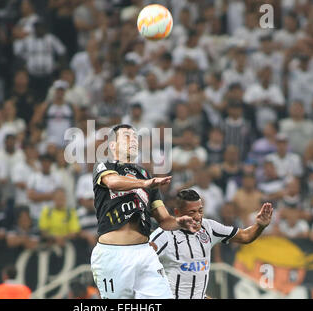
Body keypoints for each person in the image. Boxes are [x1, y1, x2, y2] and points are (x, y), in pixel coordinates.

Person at [90, 124, 196, 299]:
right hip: (113, 254)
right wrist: (145, 184)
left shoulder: (146, 174)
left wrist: (179, 222)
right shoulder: (105, 165)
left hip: (144, 253)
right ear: (113, 145)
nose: (132, 140)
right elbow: (112, 182)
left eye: (134, 137)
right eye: (126, 136)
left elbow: (164, 220)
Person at [150, 189, 273, 299]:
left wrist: (260, 226)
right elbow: (140, 262)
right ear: (177, 213)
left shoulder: (209, 227)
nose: (198, 217)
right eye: (192, 212)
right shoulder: (164, 235)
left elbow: (245, 236)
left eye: (200, 211)